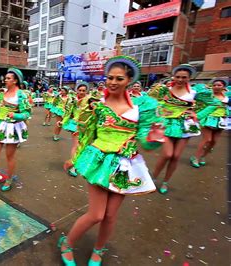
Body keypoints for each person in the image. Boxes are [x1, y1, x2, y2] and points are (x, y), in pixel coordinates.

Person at [60, 56, 164, 266]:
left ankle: (99, 249)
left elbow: (145, 140)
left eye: (119, 78)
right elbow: (87, 136)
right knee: (97, 214)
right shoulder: (96, 106)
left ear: (129, 80)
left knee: (110, 216)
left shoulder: (140, 108)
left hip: (125, 165)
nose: (113, 82)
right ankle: (66, 243)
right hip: (98, 161)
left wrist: (155, 137)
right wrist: (75, 159)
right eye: (109, 78)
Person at [148, 64, 214, 194]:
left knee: (176, 156)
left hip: (185, 126)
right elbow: (152, 102)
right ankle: (153, 177)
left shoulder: (194, 92)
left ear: (189, 78)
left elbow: (213, 103)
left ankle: (165, 182)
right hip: (167, 125)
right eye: (178, 76)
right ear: (174, 77)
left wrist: (197, 115)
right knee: (167, 154)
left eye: (184, 77)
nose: (180, 79)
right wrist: (160, 112)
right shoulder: (165, 90)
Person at [0, 68, 31, 193]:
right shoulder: (2, 93)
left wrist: (16, 116)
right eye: (5, 78)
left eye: (8, 78)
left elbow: (27, 113)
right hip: (0, 125)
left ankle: (9, 179)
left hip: (13, 127)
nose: (5, 80)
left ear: (15, 81)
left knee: (9, 156)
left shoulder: (21, 95)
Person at [190, 77, 231, 167]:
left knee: (214, 141)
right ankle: (195, 158)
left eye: (219, 85)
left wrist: (227, 113)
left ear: (224, 87)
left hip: (221, 120)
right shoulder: (208, 96)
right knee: (207, 139)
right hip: (208, 119)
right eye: (214, 85)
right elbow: (195, 95)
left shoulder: (227, 97)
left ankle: (203, 156)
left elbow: (228, 108)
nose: (216, 87)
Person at [60, 82, 89, 177]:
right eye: (80, 90)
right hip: (75, 125)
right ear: (76, 90)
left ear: (87, 91)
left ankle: (76, 163)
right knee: (76, 145)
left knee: (83, 146)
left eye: (84, 90)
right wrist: (63, 122)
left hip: (87, 126)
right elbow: (68, 113)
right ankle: (73, 166)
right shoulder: (73, 100)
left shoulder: (90, 101)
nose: (81, 92)